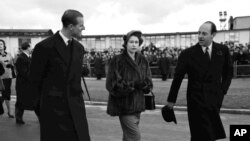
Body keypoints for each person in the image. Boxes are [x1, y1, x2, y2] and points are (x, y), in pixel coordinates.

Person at [165, 21, 233, 141]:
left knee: (210, 133)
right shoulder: (187, 54)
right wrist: (171, 100)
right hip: (196, 101)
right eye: (199, 33)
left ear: (213, 35)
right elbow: (177, 79)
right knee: (200, 134)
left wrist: (222, 91)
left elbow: (228, 72)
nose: (200, 36)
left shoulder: (223, 50)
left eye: (204, 33)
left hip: (214, 99)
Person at [29, 9, 90, 141]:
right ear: (71, 26)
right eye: (81, 25)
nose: (83, 28)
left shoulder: (79, 48)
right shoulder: (44, 47)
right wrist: (41, 110)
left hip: (76, 108)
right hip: (53, 111)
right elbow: (34, 81)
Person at [106, 30, 153, 141]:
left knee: (128, 138)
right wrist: (133, 85)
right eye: (131, 42)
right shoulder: (117, 60)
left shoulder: (143, 60)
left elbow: (149, 81)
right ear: (126, 43)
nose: (134, 44)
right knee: (135, 137)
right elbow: (111, 84)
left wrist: (145, 86)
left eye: (136, 42)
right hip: (124, 106)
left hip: (138, 104)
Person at [15, 42, 39, 124]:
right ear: (28, 47)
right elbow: (24, 72)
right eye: (31, 46)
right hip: (23, 84)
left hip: (27, 83)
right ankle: (18, 118)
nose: (31, 48)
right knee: (21, 101)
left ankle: (40, 116)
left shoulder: (28, 57)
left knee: (34, 100)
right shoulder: (21, 58)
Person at [0, 39, 15, 118]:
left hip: (8, 76)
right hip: (0, 77)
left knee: (7, 94)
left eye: (1, 44)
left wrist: (10, 65)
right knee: (5, 94)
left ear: (4, 45)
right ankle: (9, 112)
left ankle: (9, 112)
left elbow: (12, 64)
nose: (0, 45)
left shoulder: (8, 54)